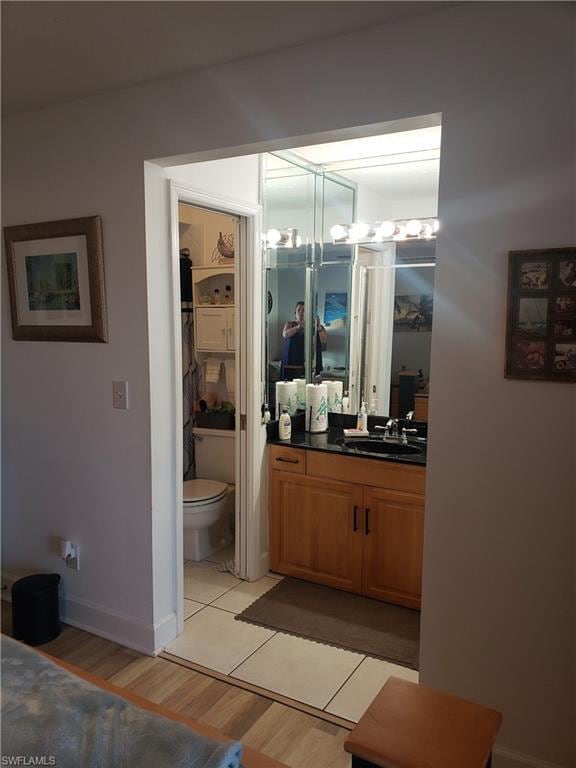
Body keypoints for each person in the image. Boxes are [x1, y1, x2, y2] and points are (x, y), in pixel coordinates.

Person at [280, 301, 327, 379]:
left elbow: (324, 340)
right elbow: (285, 334)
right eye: (299, 310)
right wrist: (297, 327)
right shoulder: (289, 324)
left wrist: (318, 328)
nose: (301, 313)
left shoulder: (315, 326)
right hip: (291, 364)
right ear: (295, 313)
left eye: (304, 310)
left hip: (308, 365)